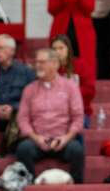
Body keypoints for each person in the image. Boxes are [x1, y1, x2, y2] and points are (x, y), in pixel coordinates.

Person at [16, 49, 85, 183]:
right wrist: (36, 138)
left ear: (54, 64)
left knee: (77, 150)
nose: (38, 66)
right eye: (36, 62)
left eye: (42, 62)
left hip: (62, 139)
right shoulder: (29, 89)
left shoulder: (70, 86)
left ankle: (76, 187)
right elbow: (22, 119)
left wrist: (66, 138)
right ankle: (31, 185)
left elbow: (78, 117)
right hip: (38, 140)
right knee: (23, 149)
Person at [47, 0, 97, 83]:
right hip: (61, 27)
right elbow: (51, 9)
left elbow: (89, 8)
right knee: (59, 58)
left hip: (82, 31)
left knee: (83, 60)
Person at [0, 34, 35, 137]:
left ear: (12, 51)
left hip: (19, 115)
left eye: (0, 48)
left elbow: (33, 98)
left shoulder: (26, 72)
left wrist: (15, 108)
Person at [52, 34, 96, 127]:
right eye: (54, 49)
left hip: (79, 113)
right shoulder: (50, 68)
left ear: (68, 49)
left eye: (61, 48)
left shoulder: (80, 65)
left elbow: (90, 90)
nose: (57, 52)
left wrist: (69, 93)